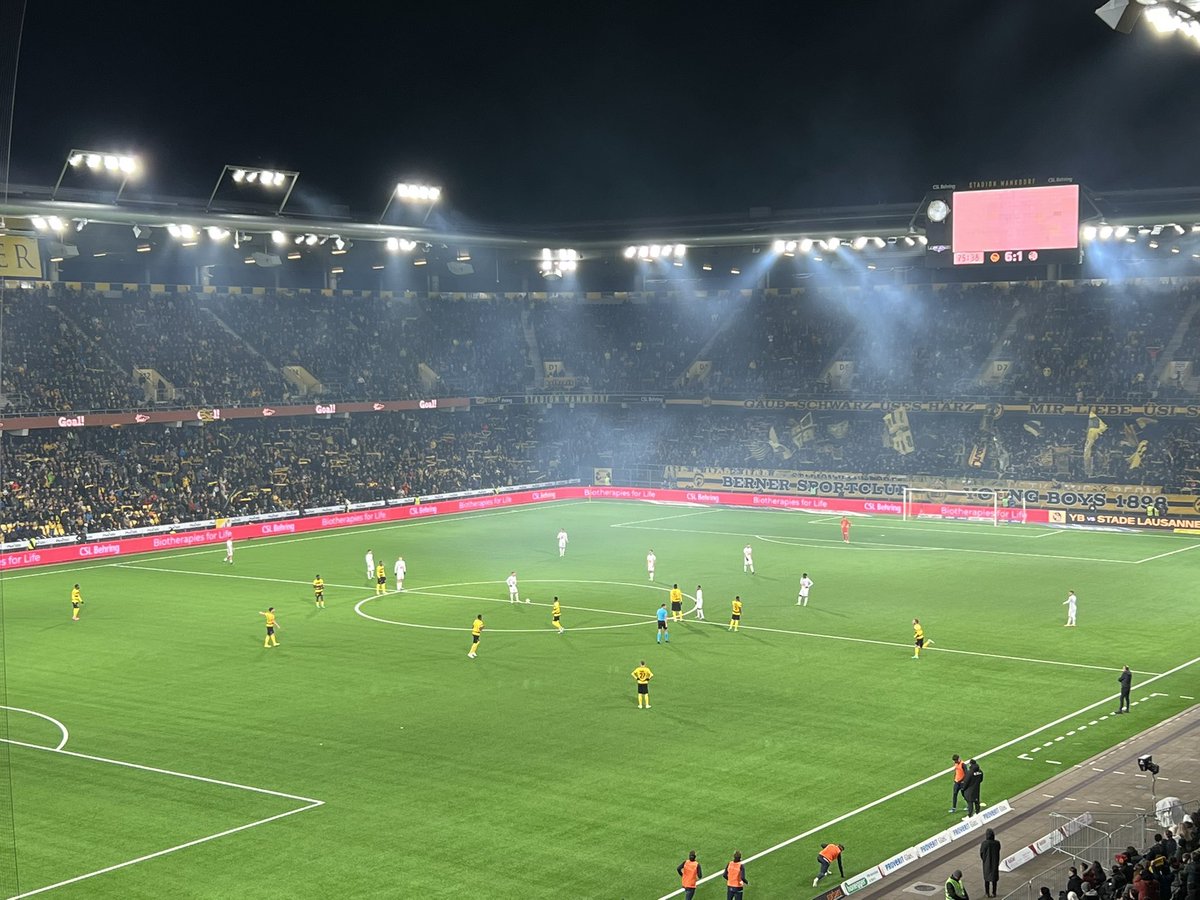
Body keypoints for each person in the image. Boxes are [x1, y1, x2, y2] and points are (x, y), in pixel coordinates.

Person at [980, 828, 1001, 898]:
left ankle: (987, 893)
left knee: (986, 879)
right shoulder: (997, 843)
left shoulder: (984, 844)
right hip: (995, 863)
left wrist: (985, 859)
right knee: (994, 879)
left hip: (987, 864)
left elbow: (981, 853)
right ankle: (994, 892)